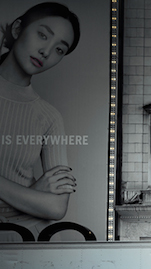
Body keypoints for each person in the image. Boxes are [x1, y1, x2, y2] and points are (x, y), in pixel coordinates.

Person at [0, 3, 80, 240]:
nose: (46, 51)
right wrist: (30, 195)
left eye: (59, 50)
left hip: (22, 238)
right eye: (43, 35)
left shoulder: (49, 116)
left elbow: (56, 208)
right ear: (17, 29)